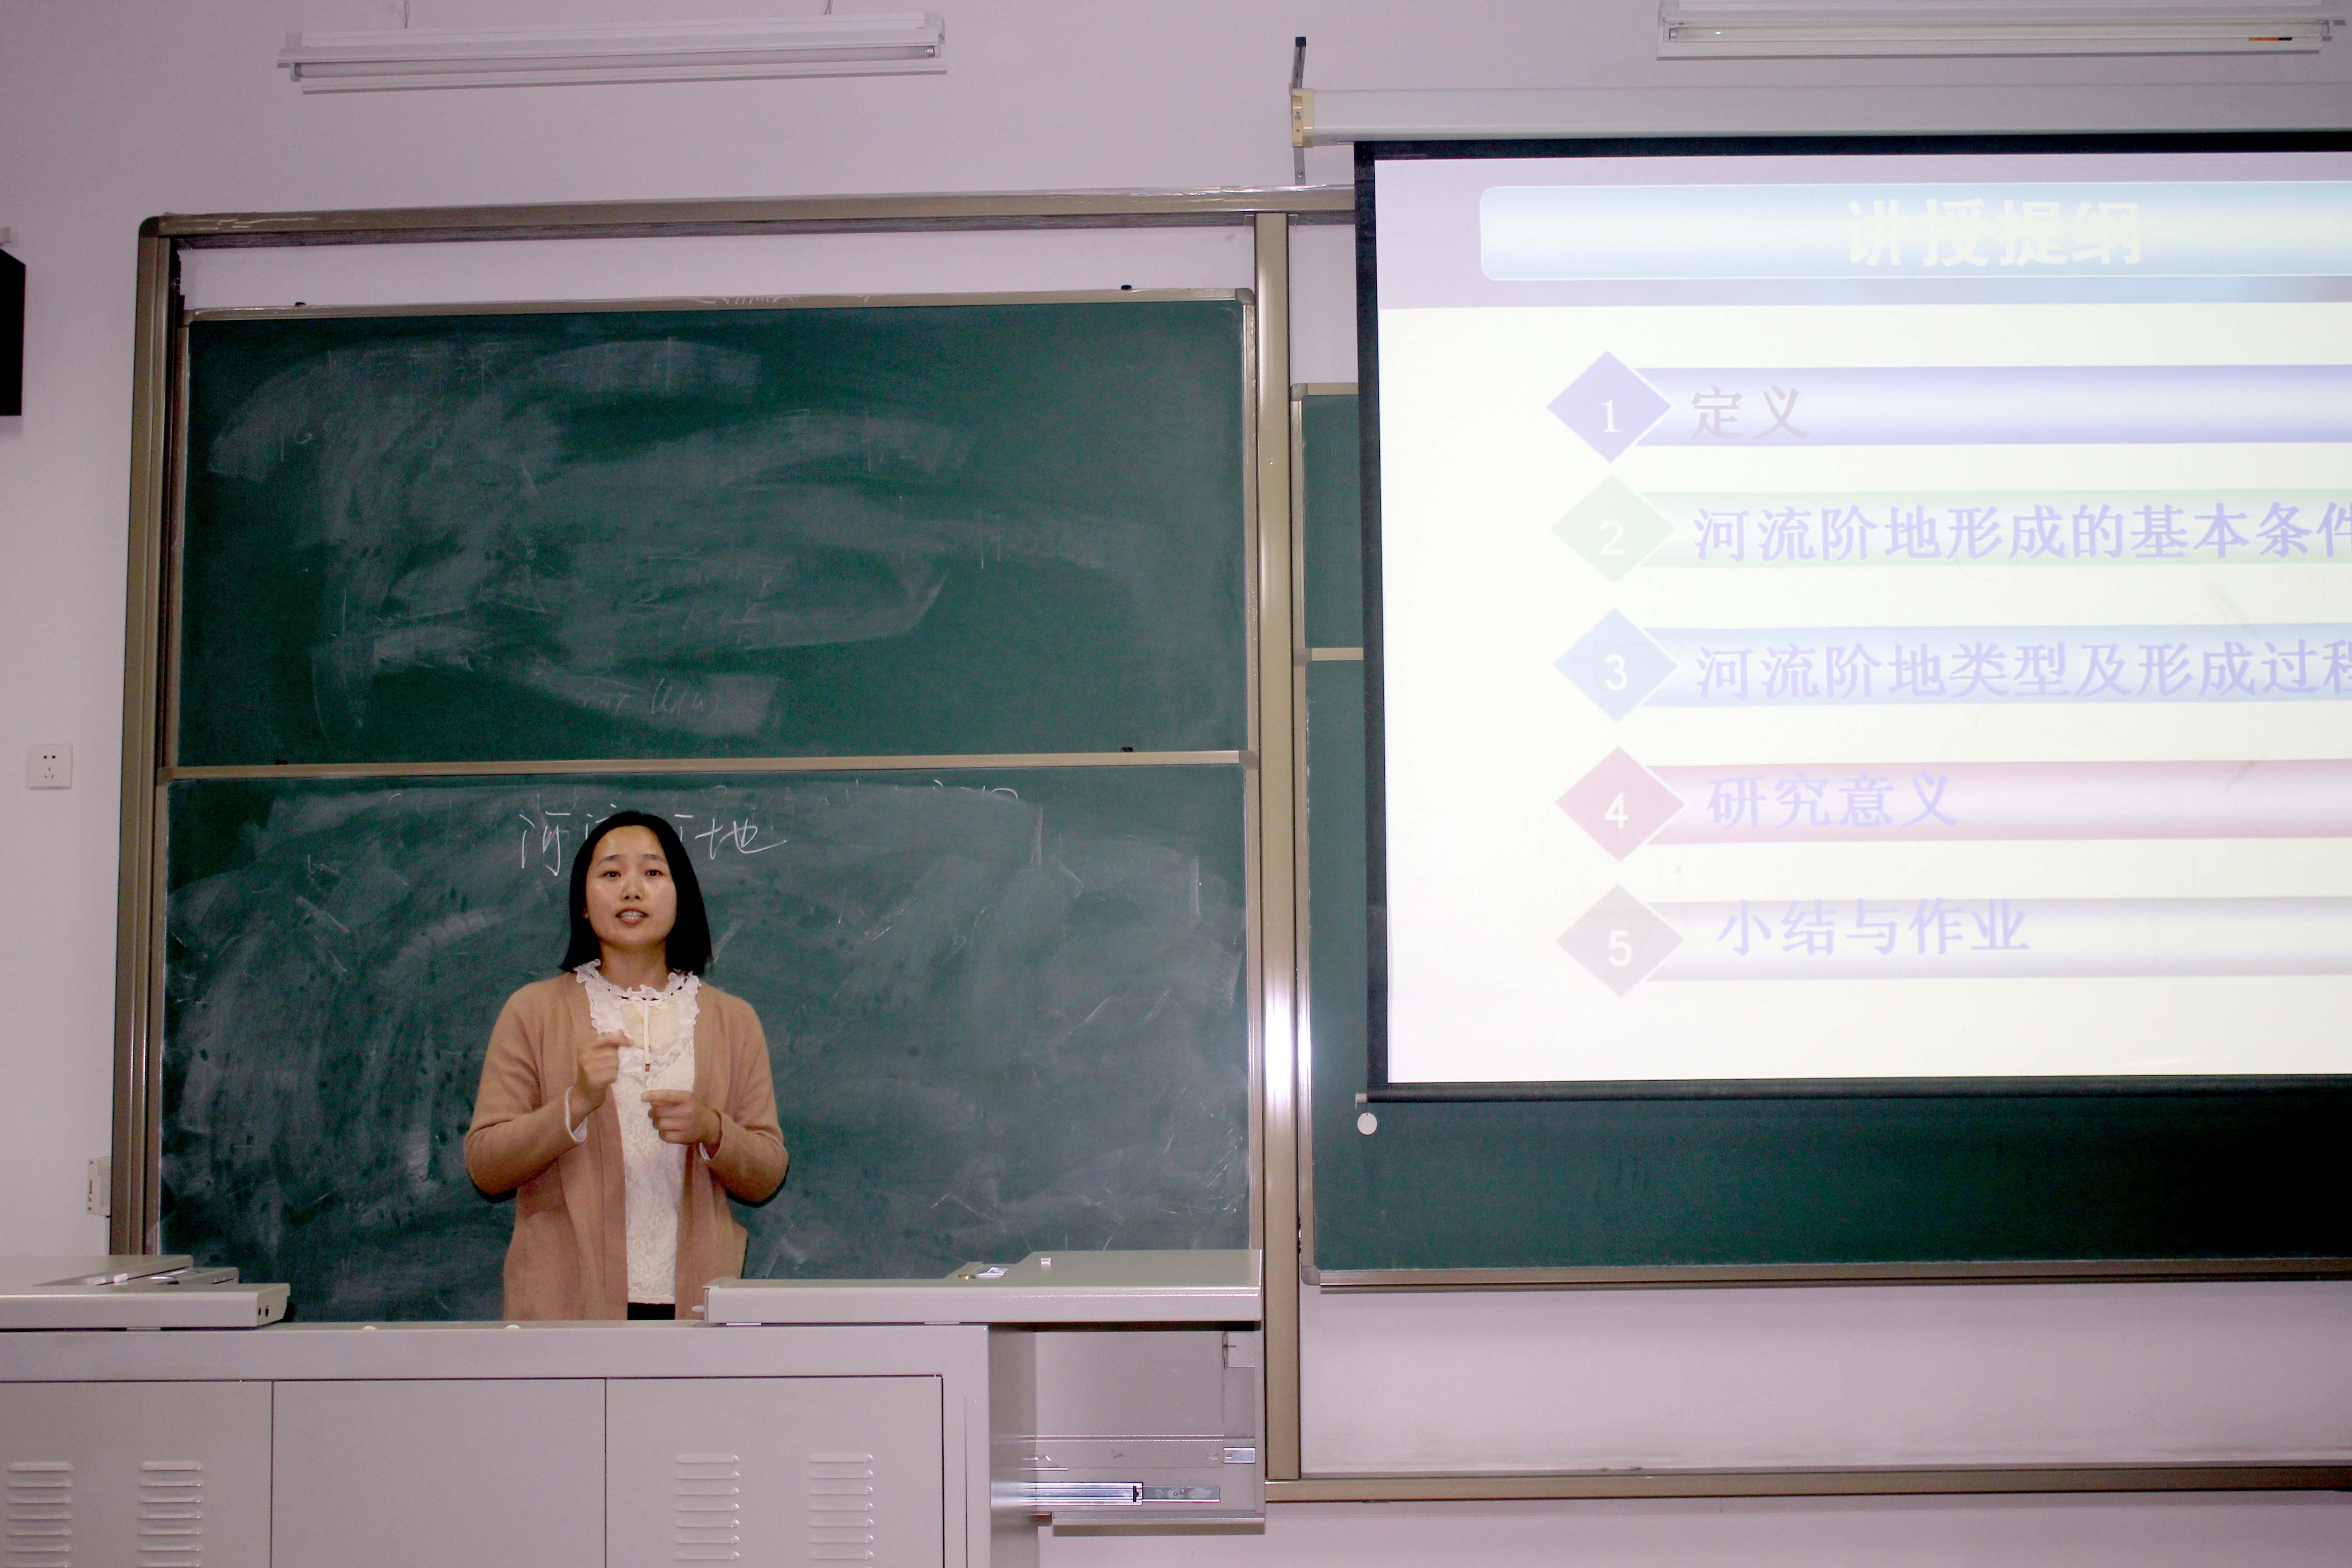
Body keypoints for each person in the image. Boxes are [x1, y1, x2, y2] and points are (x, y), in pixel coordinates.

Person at [466, 811, 786, 1321]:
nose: (631, 889)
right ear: (584, 903)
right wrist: (576, 1103)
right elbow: (486, 1167)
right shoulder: (533, 1011)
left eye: (653, 872)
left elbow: (767, 1172)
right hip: (564, 1312)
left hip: (696, 1311)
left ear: (681, 898)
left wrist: (712, 1129)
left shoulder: (732, 1020)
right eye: (611, 873)